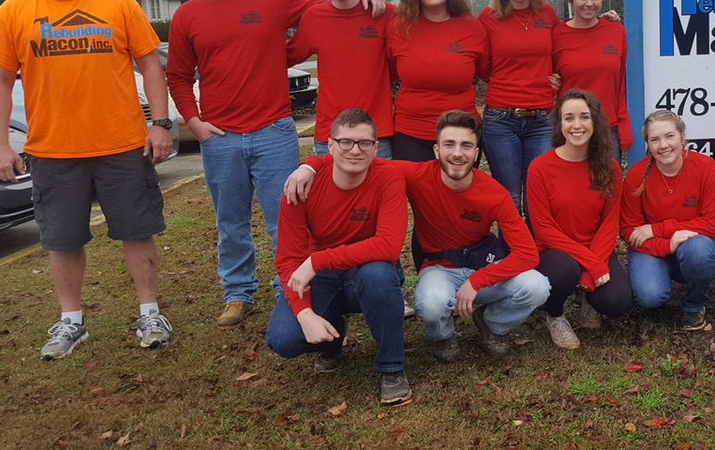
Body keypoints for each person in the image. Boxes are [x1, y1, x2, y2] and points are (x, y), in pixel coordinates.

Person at [167, 0, 383, 328]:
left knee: (285, 218)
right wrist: (192, 121)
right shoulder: (187, 16)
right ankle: (238, 292)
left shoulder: (272, 1)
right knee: (229, 221)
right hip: (220, 136)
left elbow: (332, 1)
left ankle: (293, 287)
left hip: (274, 131)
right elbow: (178, 75)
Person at [0, 0, 174, 360]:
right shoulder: (14, 11)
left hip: (122, 145)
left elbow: (150, 63)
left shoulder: (118, 3)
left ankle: (149, 311)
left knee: (138, 230)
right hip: (53, 151)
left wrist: (160, 123)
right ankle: (72, 322)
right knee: (62, 239)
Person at [286, 110, 549, 363]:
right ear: (436, 151)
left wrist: (479, 280)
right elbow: (356, 154)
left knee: (537, 286)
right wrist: (310, 165)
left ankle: (492, 324)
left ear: (476, 153)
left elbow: (527, 253)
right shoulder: (414, 175)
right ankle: (443, 337)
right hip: (440, 267)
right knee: (431, 304)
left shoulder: (495, 194)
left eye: (466, 146)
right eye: (449, 144)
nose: (457, 153)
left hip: (482, 263)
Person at [266, 110, 410, 404]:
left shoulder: (389, 177)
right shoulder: (300, 187)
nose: (355, 151)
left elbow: (388, 246)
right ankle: (331, 335)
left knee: (380, 276)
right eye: (346, 142)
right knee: (284, 339)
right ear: (329, 145)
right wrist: (305, 314)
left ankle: (392, 368)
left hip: (367, 270)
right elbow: (288, 260)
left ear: (376, 147)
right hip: (323, 279)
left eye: (364, 143)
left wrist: (317, 260)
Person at [527, 89, 630, 350]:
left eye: (584, 117)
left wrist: (595, 260)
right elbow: (543, 229)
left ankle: (587, 295)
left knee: (617, 302)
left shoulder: (610, 168)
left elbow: (610, 223)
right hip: (555, 251)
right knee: (564, 272)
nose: (576, 125)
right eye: (568, 118)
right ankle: (555, 314)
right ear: (560, 124)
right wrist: (592, 265)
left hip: (596, 247)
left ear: (595, 122)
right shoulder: (540, 168)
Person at [287, 0, 396, 159]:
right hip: (330, 136)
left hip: (377, 136)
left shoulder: (385, 14)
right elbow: (282, 58)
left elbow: (403, 65)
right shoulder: (314, 17)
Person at [621, 111, 715, 331]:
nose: (663, 145)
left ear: (682, 137)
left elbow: (713, 224)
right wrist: (667, 243)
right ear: (648, 144)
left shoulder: (705, 167)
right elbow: (630, 231)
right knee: (650, 297)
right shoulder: (637, 176)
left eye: (669, 136)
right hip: (651, 250)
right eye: (655, 139)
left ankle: (695, 303)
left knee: (700, 249)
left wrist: (658, 228)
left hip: (690, 246)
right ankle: (657, 281)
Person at [479, 0, 559, 214]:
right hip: (502, 121)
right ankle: (513, 255)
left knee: (538, 199)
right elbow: (482, 67)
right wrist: (512, 79)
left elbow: (565, 48)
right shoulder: (489, 19)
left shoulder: (547, 13)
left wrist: (602, 21)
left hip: (543, 121)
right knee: (509, 200)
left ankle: (540, 255)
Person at [387, 0, 487, 162]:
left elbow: (490, 72)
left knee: (459, 194)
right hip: (410, 134)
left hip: (461, 134)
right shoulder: (397, 28)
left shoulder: (472, 27)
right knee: (419, 194)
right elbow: (387, 73)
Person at [552, 0, 631, 163]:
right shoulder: (557, 34)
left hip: (607, 127)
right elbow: (546, 76)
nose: (589, 3)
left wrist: (624, 125)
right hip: (571, 129)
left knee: (607, 190)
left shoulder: (616, 31)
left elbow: (622, 84)